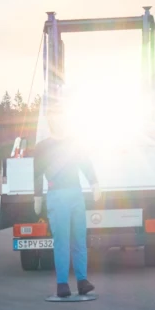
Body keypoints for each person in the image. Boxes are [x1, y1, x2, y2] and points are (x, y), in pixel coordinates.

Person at [33, 108, 102, 298]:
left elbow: (85, 164)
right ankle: (62, 284)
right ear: (49, 121)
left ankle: (82, 281)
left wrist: (94, 183)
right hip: (56, 195)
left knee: (79, 239)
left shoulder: (74, 143)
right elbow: (37, 173)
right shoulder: (42, 147)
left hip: (75, 194)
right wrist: (37, 196)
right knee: (62, 241)